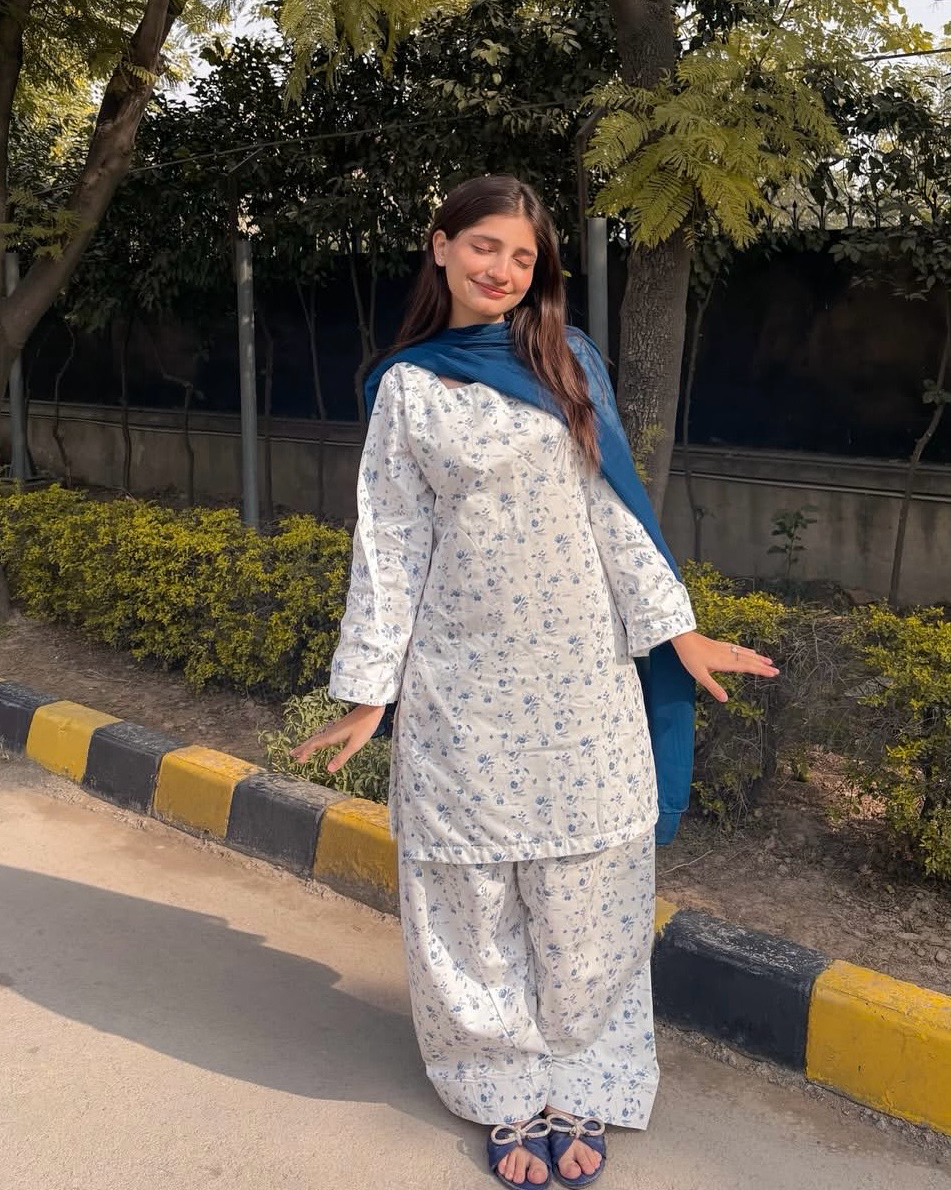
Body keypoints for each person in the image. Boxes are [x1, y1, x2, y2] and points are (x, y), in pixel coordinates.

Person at [291, 175, 778, 1189]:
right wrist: (371, 688)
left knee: (588, 887)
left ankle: (582, 1073)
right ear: (439, 245)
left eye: (522, 257)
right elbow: (390, 542)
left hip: (582, 676)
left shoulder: (565, 360)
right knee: (468, 893)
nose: (503, 270)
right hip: (460, 682)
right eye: (484, 246)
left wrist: (678, 632)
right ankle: (500, 1082)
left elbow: (612, 511)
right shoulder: (407, 387)